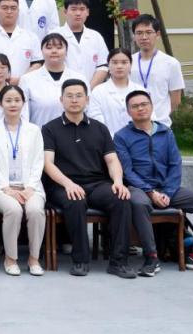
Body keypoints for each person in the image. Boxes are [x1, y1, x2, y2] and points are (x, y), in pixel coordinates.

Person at [115, 90, 193, 274]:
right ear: (128, 111)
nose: (140, 108)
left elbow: (175, 164)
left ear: (151, 106)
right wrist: (151, 192)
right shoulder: (121, 136)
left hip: (166, 188)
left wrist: (167, 193)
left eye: (144, 104)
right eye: (135, 106)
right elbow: (127, 171)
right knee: (139, 203)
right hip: (139, 188)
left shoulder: (165, 133)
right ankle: (151, 257)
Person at [42, 79, 136, 278]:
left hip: (97, 183)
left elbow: (112, 160)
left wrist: (118, 182)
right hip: (63, 185)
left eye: (79, 96)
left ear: (87, 99)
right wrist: (68, 184)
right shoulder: (50, 128)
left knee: (121, 199)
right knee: (75, 201)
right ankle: (80, 260)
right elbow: (47, 163)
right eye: (69, 96)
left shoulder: (100, 128)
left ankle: (118, 262)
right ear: (61, 99)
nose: (74, 100)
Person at [0, 85, 46, 276]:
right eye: (8, 100)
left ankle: (34, 258)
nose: (13, 104)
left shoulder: (34, 130)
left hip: (30, 187)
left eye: (17, 100)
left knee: (35, 210)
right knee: (14, 209)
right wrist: (6, 188)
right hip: (1, 188)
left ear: (23, 103)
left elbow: (38, 161)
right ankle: (11, 258)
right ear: (0, 103)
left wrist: (30, 187)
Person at [19, 33, 87, 126]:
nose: (54, 51)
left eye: (59, 47)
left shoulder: (79, 78)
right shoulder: (27, 80)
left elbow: (88, 110)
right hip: (39, 133)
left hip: (75, 132)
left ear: (66, 51)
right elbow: (22, 115)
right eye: (49, 48)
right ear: (41, 51)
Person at [130, 14, 185, 127]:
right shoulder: (128, 62)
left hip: (160, 125)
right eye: (139, 33)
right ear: (134, 36)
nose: (144, 37)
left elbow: (176, 99)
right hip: (132, 125)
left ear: (158, 34)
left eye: (149, 32)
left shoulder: (171, 63)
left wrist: (161, 116)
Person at [55, 0, 109, 87]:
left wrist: (88, 89)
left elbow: (103, 66)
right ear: (65, 12)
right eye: (73, 9)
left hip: (91, 90)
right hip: (61, 90)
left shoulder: (96, 36)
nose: (78, 13)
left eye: (82, 9)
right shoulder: (55, 35)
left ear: (87, 12)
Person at [89, 48, 144, 135]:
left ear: (130, 65)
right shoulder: (98, 91)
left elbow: (148, 118)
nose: (119, 66)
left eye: (124, 62)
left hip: (137, 139)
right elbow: (95, 121)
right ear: (108, 65)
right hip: (108, 140)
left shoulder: (140, 90)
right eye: (115, 62)